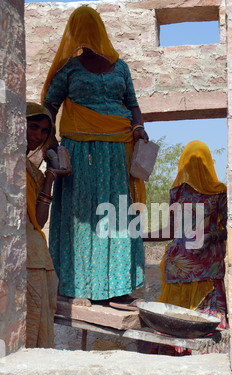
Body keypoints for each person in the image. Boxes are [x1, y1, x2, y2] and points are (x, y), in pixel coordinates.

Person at [41, 6, 149, 307]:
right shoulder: (69, 69)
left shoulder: (120, 67)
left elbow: (133, 105)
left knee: (118, 213)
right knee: (83, 214)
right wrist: (51, 144)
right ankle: (79, 286)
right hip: (80, 149)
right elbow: (49, 106)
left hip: (118, 148)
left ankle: (119, 286)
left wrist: (139, 127)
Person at [145, 141, 228, 350]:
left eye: (199, 162)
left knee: (210, 329)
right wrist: (141, 236)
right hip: (178, 274)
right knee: (174, 326)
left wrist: (212, 237)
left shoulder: (219, 193)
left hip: (208, 273)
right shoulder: (177, 193)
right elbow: (172, 229)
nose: (194, 167)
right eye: (190, 162)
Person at [26, 102, 72, 348]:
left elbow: (39, 221)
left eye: (44, 131)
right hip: (24, 259)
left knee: (37, 325)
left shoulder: (33, 173)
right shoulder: (10, 165)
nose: (39, 135)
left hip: (38, 259)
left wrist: (50, 178)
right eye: (33, 127)